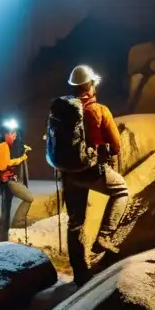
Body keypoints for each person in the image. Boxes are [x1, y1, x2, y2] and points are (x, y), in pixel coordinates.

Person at [59, 64, 130, 286]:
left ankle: (80, 274)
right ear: (91, 85)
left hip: (68, 172)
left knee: (75, 222)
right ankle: (105, 236)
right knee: (121, 191)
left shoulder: (62, 111)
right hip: (90, 170)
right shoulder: (98, 110)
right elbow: (116, 146)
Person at [0, 122, 34, 242]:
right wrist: (21, 158)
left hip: (4, 182)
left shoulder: (1, 145)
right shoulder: (3, 146)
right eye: (12, 133)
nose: (14, 135)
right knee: (28, 198)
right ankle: (18, 222)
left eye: (15, 133)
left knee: (5, 213)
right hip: (7, 182)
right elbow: (3, 165)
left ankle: (2, 240)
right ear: (6, 134)